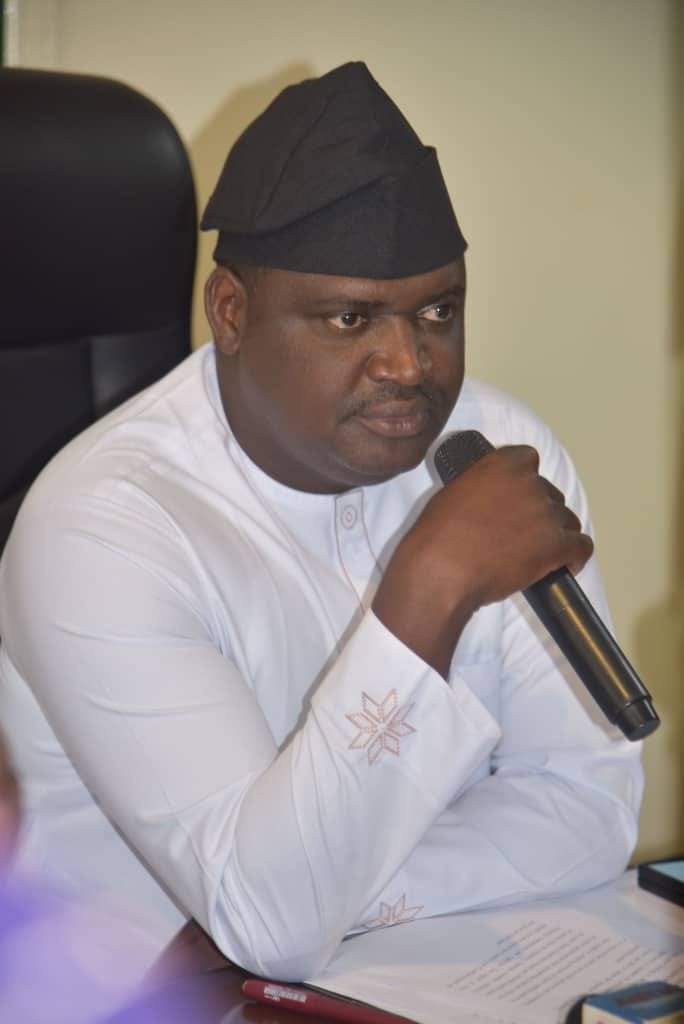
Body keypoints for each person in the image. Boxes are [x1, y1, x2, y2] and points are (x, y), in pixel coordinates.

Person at [0, 62, 642, 982]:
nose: (409, 364)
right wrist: (428, 591)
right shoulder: (102, 530)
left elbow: (590, 809)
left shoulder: (502, 449)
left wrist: (334, 899)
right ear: (231, 312)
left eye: (438, 311)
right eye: (350, 319)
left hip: (436, 977)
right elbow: (268, 928)